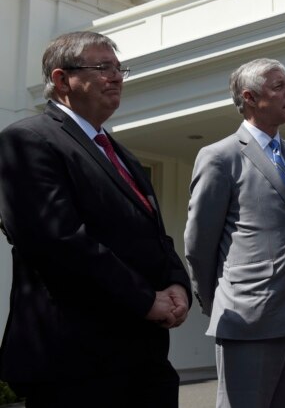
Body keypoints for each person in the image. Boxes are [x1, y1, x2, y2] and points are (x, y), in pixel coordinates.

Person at [0, 31, 191, 408]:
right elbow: (57, 239)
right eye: (102, 67)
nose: (117, 77)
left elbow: (155, 234)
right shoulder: (27, 140)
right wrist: (143, 299)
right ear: (61, 79)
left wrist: (175, 283)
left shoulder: (123, 156)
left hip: (144, 357)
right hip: (77, 361)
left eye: (120, 69)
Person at [184, 58, 285, 408]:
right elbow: (198, 244)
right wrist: (223, 300)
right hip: (247, 319)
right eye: (278, 85)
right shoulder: (219, 157)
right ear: (250, 98)